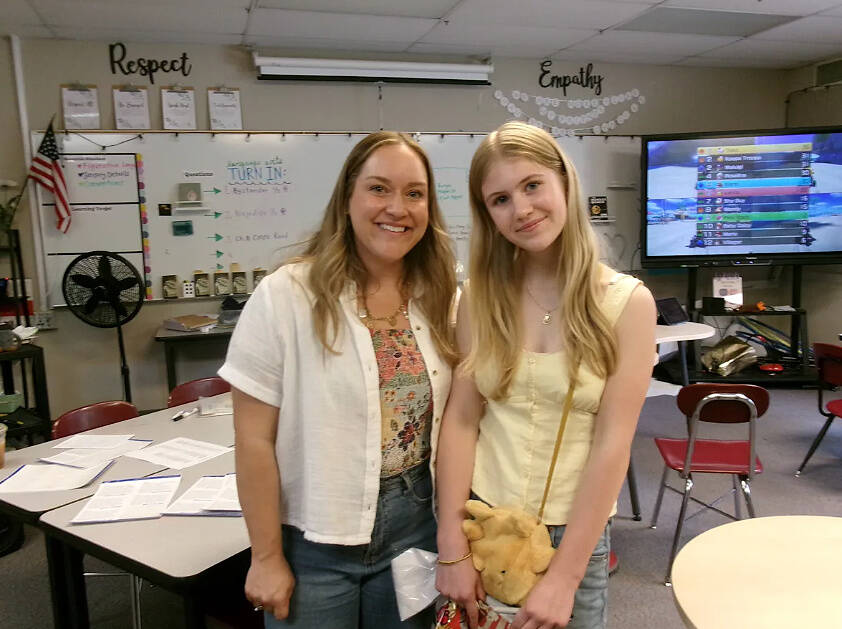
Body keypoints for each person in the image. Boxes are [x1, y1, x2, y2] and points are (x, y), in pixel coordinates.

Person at [219, 131, 458, 629]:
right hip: (315, 539)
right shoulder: (287, 295)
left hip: (415, 527)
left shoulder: (440, 297)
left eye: (414, 193)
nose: (397, 208)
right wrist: (265, 556)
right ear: (347, 198)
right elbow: (253, 439)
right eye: (378, 188)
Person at [435, 121, 655, 629]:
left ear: (564, 181)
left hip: (572, 535)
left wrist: (565, 577)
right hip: (483, 523)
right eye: (500, 199)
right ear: (488, 215)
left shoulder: (626, 303)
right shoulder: (478, 299)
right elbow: (462, 420)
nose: (521, 209)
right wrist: (451, 543)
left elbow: (613, 444)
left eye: (532, 185)